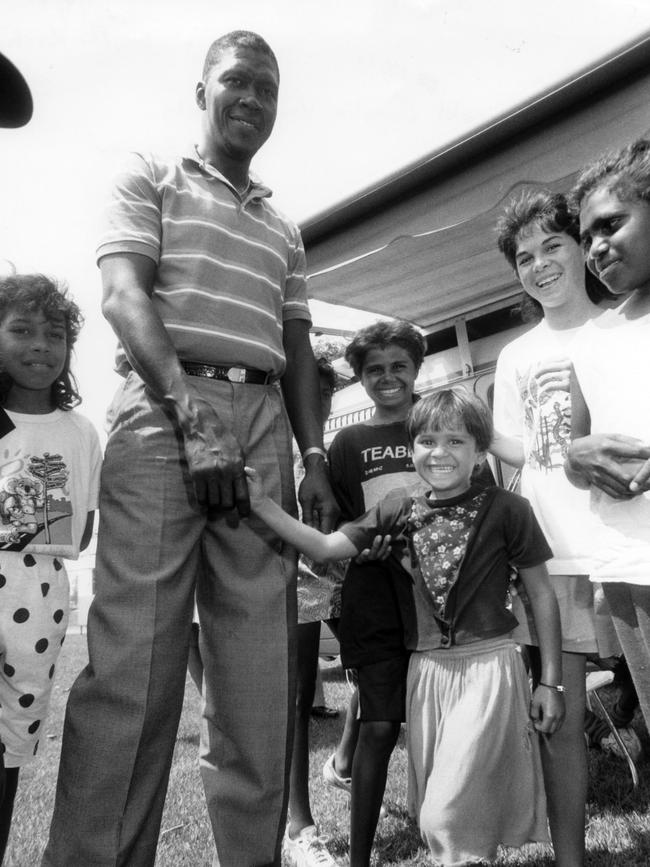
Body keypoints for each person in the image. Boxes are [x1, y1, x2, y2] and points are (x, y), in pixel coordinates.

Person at [42, 31, 337, 867]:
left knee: (257, 674)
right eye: (236, 82)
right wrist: (193, 416)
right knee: (135, 668)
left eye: (267, 89)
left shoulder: (284, 227)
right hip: (165, 408)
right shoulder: (149, 176)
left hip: (264, 419)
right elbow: (121, 293)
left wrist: (314, 458)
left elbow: (300, 347)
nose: (251, 100)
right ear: (200, 90)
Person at [246, 388, 565, 867]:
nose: (440, 453)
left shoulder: (508, 510)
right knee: (453, 809)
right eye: (428, 441)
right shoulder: (399, 508)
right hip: (427, 676)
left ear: (481, 452)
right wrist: (262, 506)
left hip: (489, 671)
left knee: (445, 814)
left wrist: (550, 681)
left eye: (456, 442)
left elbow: (542, 594)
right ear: (411, 449)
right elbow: (328, 547)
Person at [491, 188, 640, 867]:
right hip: (552, 557)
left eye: (553, 246)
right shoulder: (515, 354)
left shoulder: (623, 324)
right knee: (561, 717)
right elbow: (517, 452)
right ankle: (570, 858)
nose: (540, 264)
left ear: (582, 246)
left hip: (629, 546)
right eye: (524, 257)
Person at [0, 274, 101, 861]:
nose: (40, 345)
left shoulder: (80, 431)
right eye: (21, 330)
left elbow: (79, 531)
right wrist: (35, 512)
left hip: (40, 596)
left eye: (54, 335)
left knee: (13, 735)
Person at [322, 321, 427, 867]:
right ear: (361, 380)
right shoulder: (349, 441)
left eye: (398, 366)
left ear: (416, 369)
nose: (388, 378)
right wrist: (361, 545)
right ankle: (359, 855)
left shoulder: (441, 423)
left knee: (441, 718)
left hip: (438, 593)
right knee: (381, 723)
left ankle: (450, 832)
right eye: (374, 370)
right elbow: (341, 518)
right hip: (373, 593)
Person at [565, 137, 650, 734]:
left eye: (612, 225)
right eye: (587, 236)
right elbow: (571, 452)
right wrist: (578, 453)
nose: (596, 247)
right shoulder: (591, 339)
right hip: (629, 558)